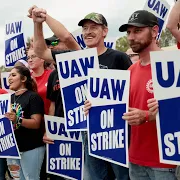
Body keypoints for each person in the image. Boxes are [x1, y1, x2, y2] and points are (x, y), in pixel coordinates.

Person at [31, 6, 131, 180]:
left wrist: (45, 16)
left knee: (122, 177)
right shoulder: (76, 57)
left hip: (115, 132)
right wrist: (37, 24)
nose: (88, 32)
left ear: (105, 31)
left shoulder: (118, 57)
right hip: (87, 131)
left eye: (94, 27)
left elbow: (133, 91)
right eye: (85, 28)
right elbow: (40, 51)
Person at [117, 10, 177, 179]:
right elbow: (121, 110)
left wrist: (150, 115)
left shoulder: (173, 66)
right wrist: (94, 107)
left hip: (166, 163)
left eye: (137, 31)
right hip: (135, 160)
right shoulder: (130, 70)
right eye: (128, 32)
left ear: (154, 31)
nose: (131, 37)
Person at [4, 66, 45, 179]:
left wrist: (17, 119)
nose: (9, 78)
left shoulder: (33, 97)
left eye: (13, 75)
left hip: (31, 147)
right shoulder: (9, 98)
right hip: (14, 149)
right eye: (9, 75)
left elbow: (36, 123)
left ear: (23, 79)